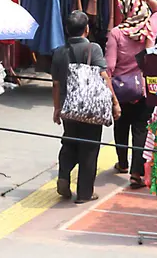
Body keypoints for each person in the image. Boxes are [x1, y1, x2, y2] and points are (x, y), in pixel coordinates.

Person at [52, 10, 121, 203]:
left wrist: (57, 108)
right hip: (90, 107)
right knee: (89, 149)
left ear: (67, 29)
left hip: (69, 107)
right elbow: (104, 76)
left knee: (69, 142)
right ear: (87, 29)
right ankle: (84, 193)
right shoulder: (94, 49)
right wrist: (114, 102)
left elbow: (56, 84)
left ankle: (64, 174)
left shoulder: (59, 51)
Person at [105, 0, 157, 189]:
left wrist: (112, 96)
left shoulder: (116, 33)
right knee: (141, 130)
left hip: (121, 91)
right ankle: (136, 173)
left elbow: (109, 67)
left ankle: (122, 163)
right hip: (143, 88)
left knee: (121, 126)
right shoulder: (150, 27)